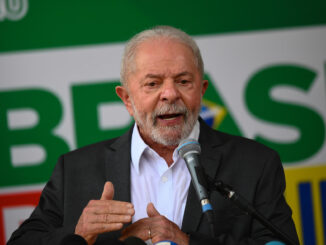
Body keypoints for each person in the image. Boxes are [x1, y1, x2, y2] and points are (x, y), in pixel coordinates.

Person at [8, 26, 299, 245]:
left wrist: (187, 242)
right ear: (127, 99)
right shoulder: (75, 170)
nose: (170, 94)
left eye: (183, 81)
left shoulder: (256, 164)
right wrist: (79, 233)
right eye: (152, 83)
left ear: (202, 90)